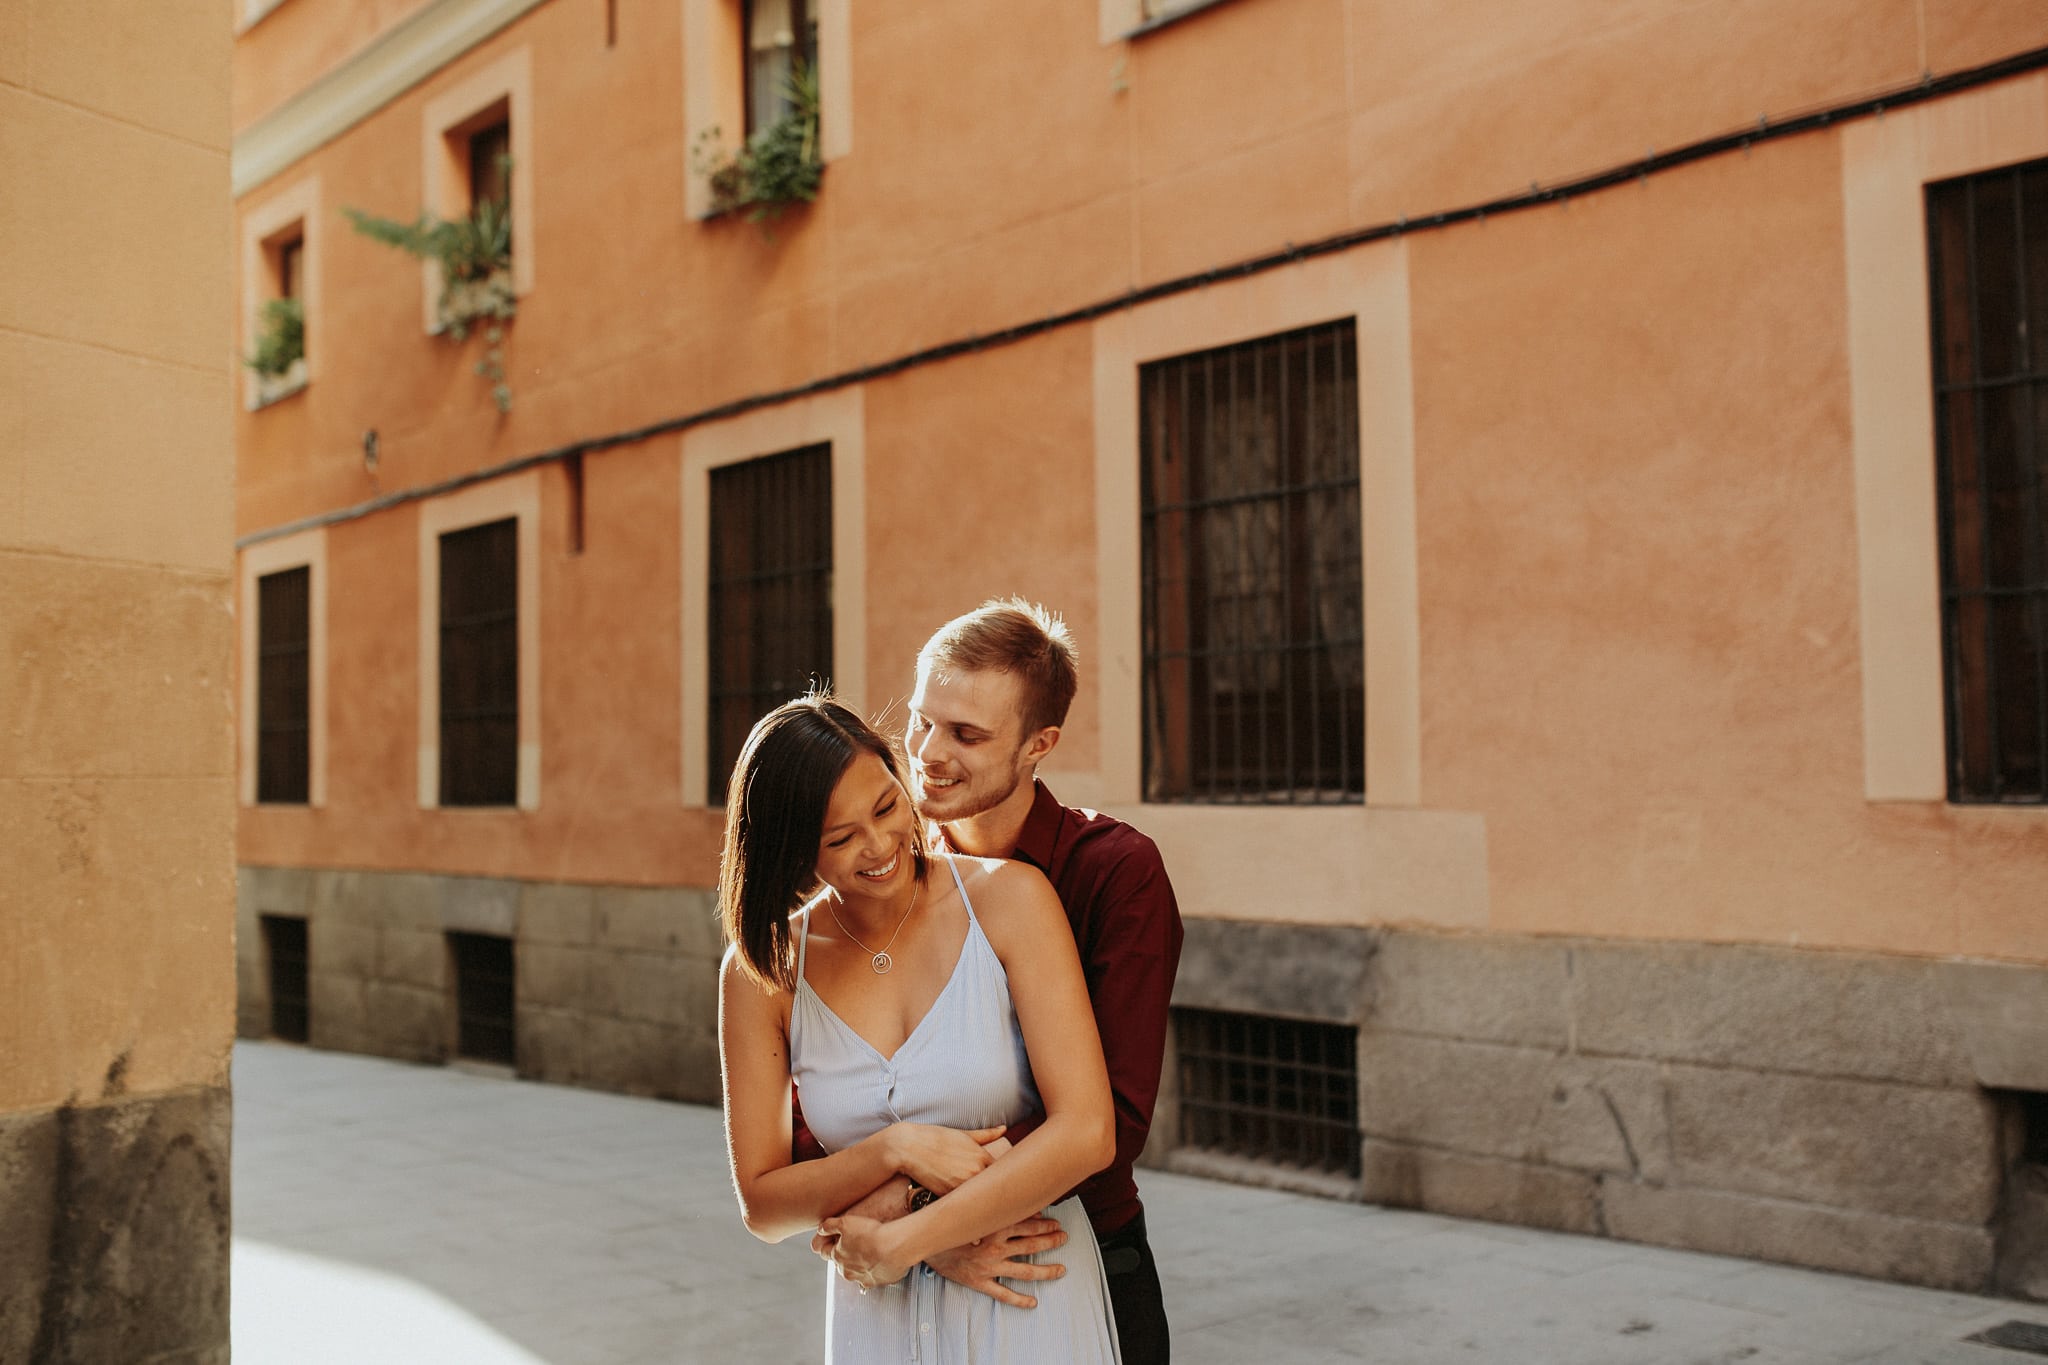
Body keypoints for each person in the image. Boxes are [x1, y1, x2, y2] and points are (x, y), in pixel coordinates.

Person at [817, 600, 1184, 1365]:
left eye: (967, 734)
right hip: (899, 1281)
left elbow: (1108, 1125)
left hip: (1069, 1253)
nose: (927, 752)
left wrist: (913, 1209)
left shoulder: (1117, 872)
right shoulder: (883, 866)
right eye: (921, 720)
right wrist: (927, 1242)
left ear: (1038, 745)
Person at [717, 694, 1124, 1363]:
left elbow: (1086, 1131)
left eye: (885, 805)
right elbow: (763, 1203)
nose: (879, 847)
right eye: (840, 838)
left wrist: (908, 1239)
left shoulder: (1010, 897)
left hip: (1027, 1290)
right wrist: (893, 1149)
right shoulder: (764, 970)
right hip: (877, 1314)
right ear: (793, 851)